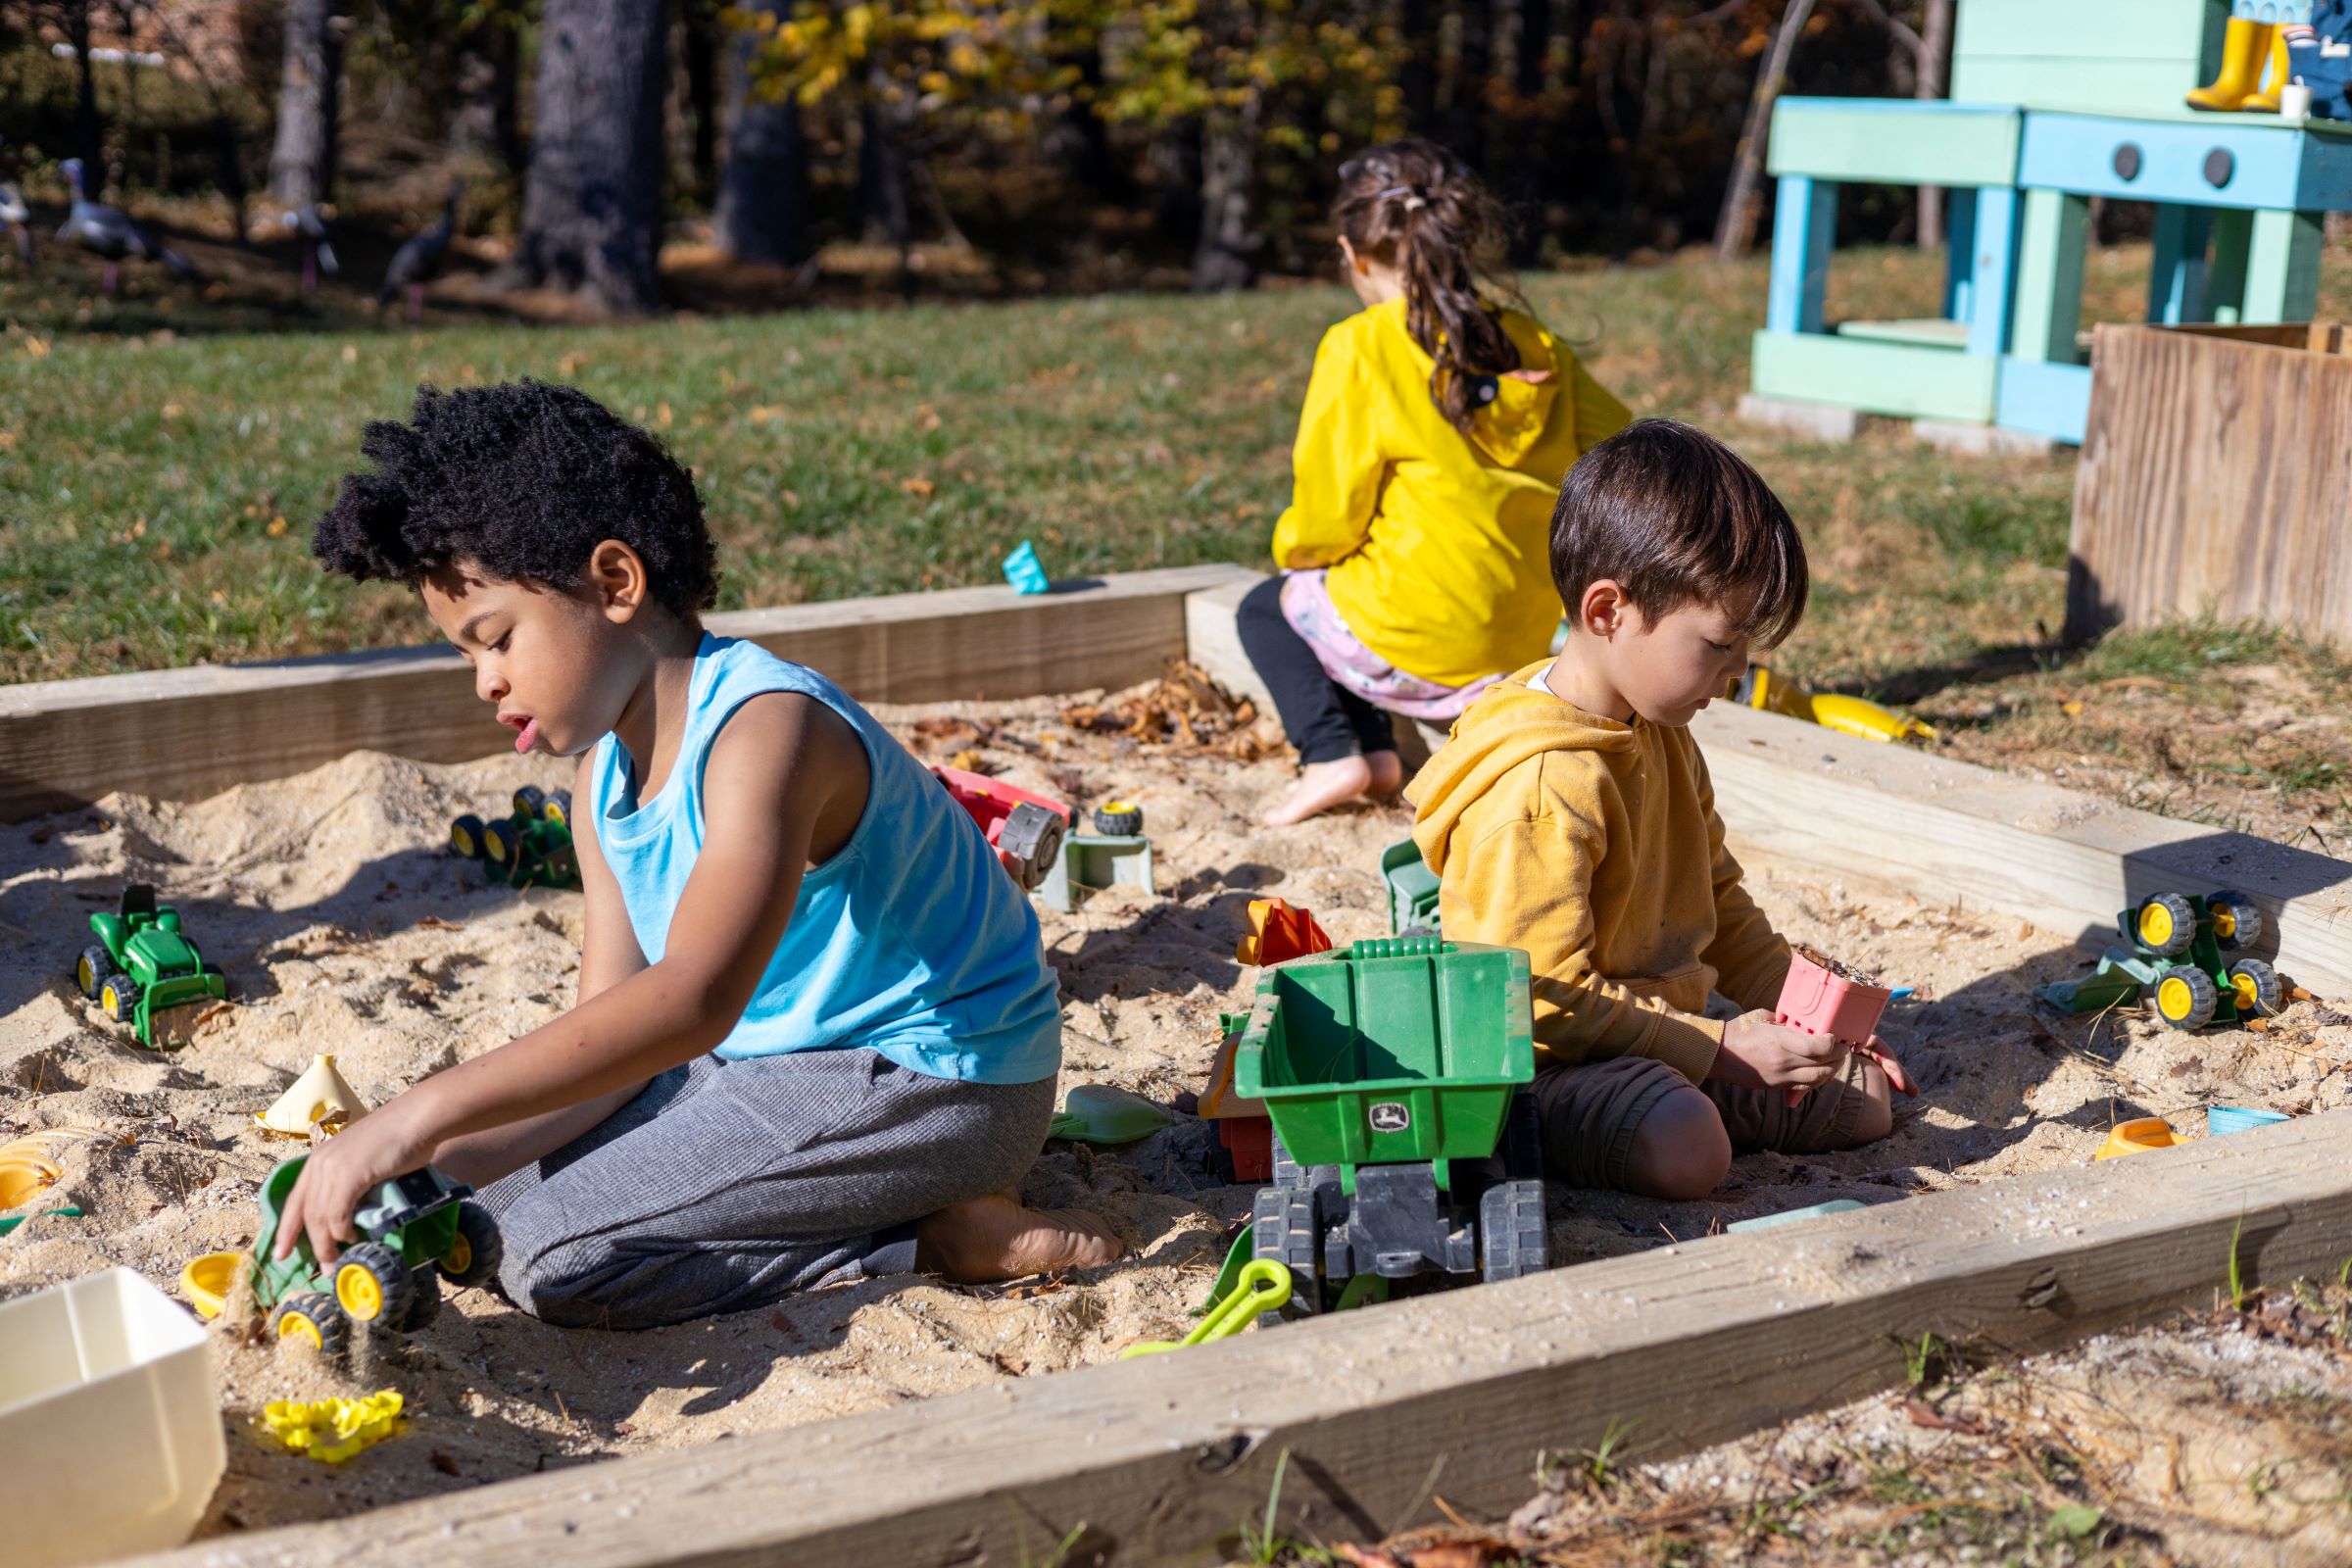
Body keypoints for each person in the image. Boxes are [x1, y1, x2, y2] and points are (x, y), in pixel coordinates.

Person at [284, 380, 1121, 1330]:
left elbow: (692, 999)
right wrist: (419, 1168)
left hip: (934, 1080)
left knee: (556, 1261)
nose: (486, 681)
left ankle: (935, 1238)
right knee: (472, 1223)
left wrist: (415, 1114)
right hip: (770, 1064)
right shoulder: (601, 784)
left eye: (498, 639)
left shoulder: (769, 730)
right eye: (468, 656)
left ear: (613, 583)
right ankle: (882, 1217)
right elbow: (614, 1040)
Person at [1406, 418, 1898, 1200]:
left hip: (1671, 1037)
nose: (1735, 676)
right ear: (1608, 612)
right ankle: (1663, 1105)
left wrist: (1807, 1013)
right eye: (1718, 646)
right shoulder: (1542, 784)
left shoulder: (1662, 727)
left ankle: (1701, 1085)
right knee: (1687, 1148)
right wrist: (1722, 1050)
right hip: (1544, 1066)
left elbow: (1720, 900)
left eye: (1746, 653)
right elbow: (1538, 995)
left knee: (1866, 1100)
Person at [1239, 137, 1632, 826]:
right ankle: (1383, 759)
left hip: (1415, 637)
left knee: (1275, 607)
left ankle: (1334, 755)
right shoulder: (1534, 345)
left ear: (1354, 254)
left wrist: (1291, 550)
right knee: (1337, 597)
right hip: (1518, 637)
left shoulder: (1361, 346)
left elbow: (1329, 521)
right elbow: (1623, 450)